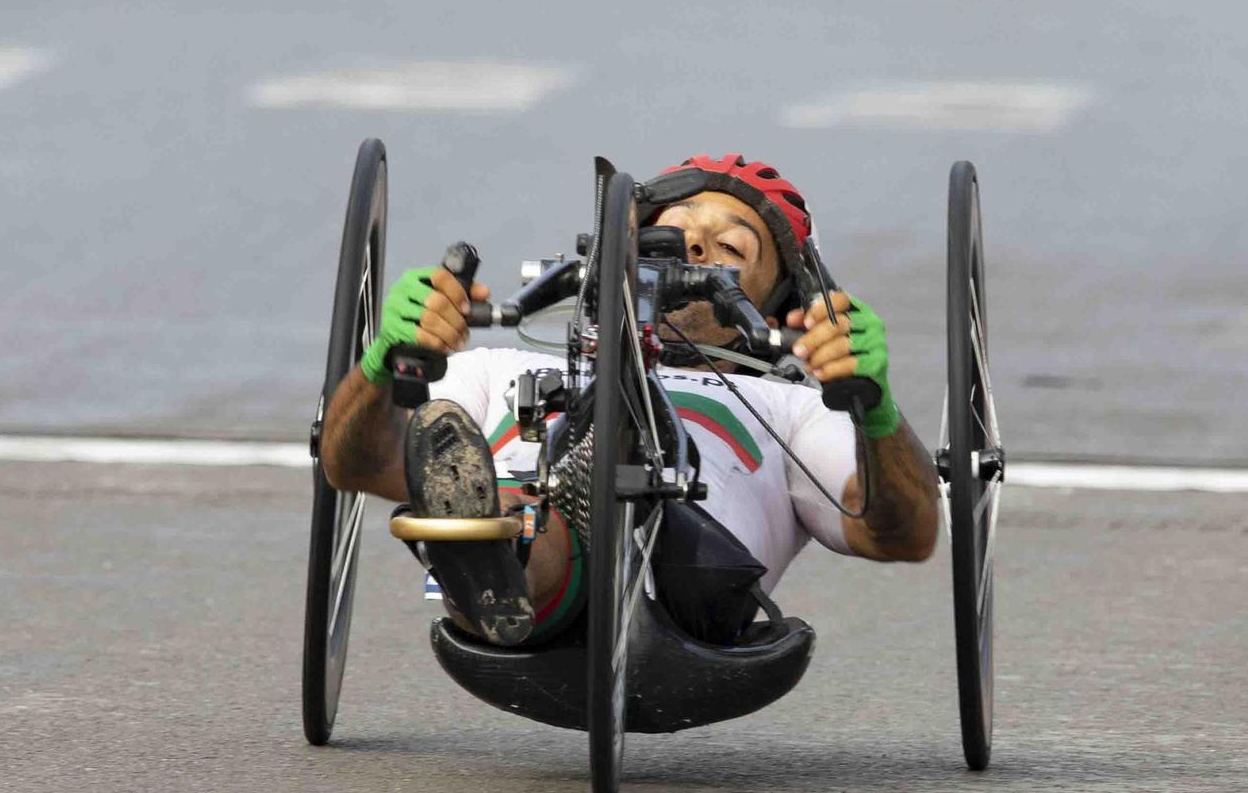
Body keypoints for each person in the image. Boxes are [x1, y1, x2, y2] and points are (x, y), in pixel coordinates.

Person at [317, 153, 940, 649]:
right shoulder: (497, 368)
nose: (696, 249)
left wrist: (873, 407)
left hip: (692, 578)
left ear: (774, 303)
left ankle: (496, 535)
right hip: (539, 562)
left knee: (603, 487)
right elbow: (358, 464)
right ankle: (484, 551)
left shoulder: (795, 412)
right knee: (502, 493)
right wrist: (383, 363)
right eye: (678, 231)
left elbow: (900, 535)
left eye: (732, 248)